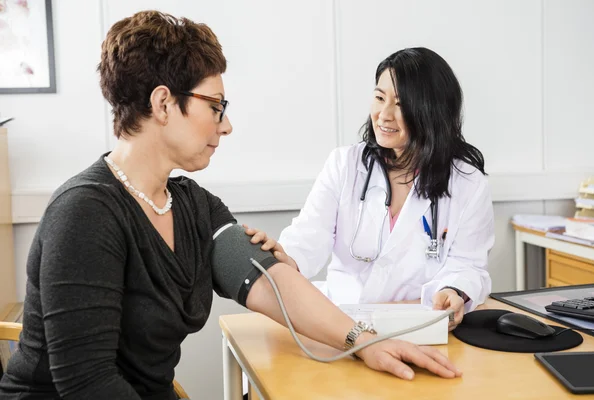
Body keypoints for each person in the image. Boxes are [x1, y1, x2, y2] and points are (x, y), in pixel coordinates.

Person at [0, 12, 462, 400]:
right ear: (164, 103)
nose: (226, 125)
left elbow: (271, 281)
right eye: (216, 106)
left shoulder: (194, 207)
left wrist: (365, 342)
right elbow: (87, 384)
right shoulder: (85, 214)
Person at [245, 47, 494, 331]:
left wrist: (453, 290)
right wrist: (285, 258)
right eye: (379, 98)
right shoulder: (345, 164)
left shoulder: (468, 184)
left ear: (432, 110)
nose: (383, 115)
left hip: (418, 325)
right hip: (341, 322)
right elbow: (309, 235)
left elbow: (468, 265)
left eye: (400, 104)